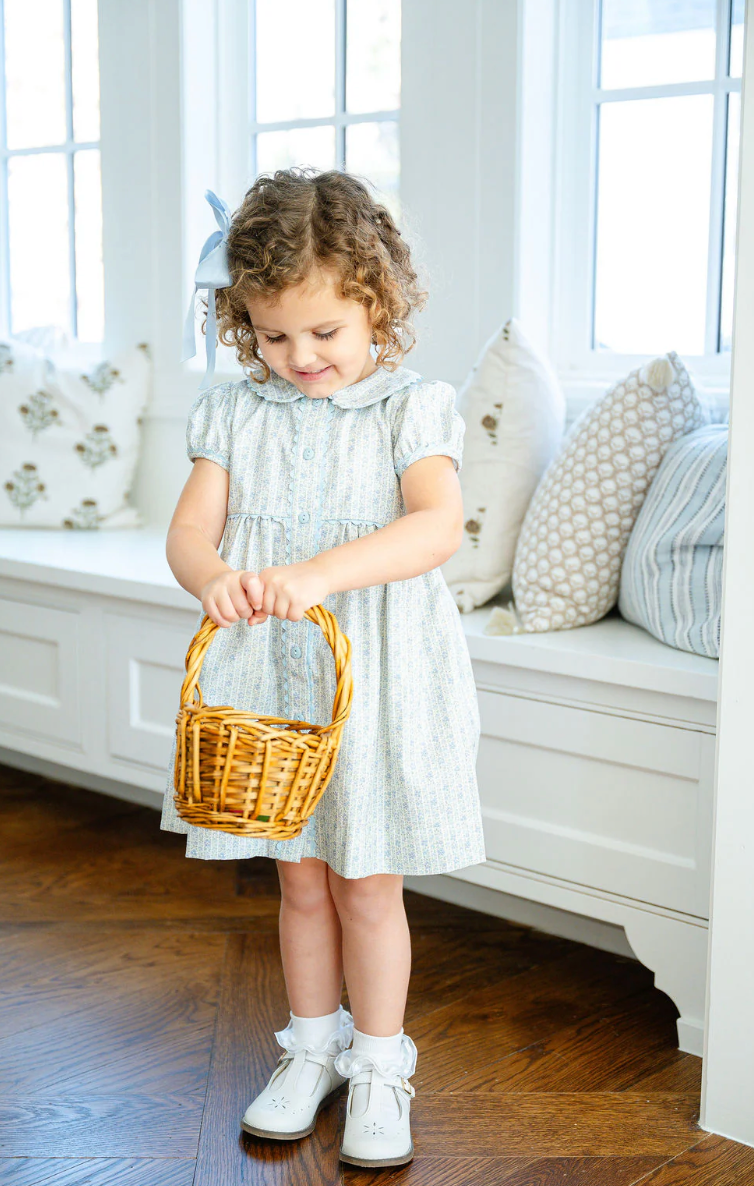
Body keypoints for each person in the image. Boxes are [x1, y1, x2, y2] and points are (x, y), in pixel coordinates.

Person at [161, 167, 487, 1169]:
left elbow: (436, 526)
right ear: (243, 324)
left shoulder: (411, 409)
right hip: (276, 686)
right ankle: (312, 1047)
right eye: (272, 335)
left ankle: (381, 1064)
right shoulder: (235, 413)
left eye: (324, 332)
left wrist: (318, 573)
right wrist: (214, 578)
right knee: (300, 882)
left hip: (375, 679)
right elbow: (188, 534)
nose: (299, 356)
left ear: (377, 303)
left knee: (367, 885)